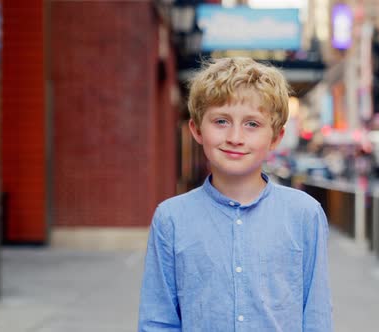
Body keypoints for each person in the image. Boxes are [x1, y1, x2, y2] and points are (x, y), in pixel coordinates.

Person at [138, 57, 332, 331]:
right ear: (196, 130)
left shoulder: (304, 214)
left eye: (252, 124)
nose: (235, 137)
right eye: (221, 121)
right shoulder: (170, 218)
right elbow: (158, 321)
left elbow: (317, 316)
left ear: (275, 137)